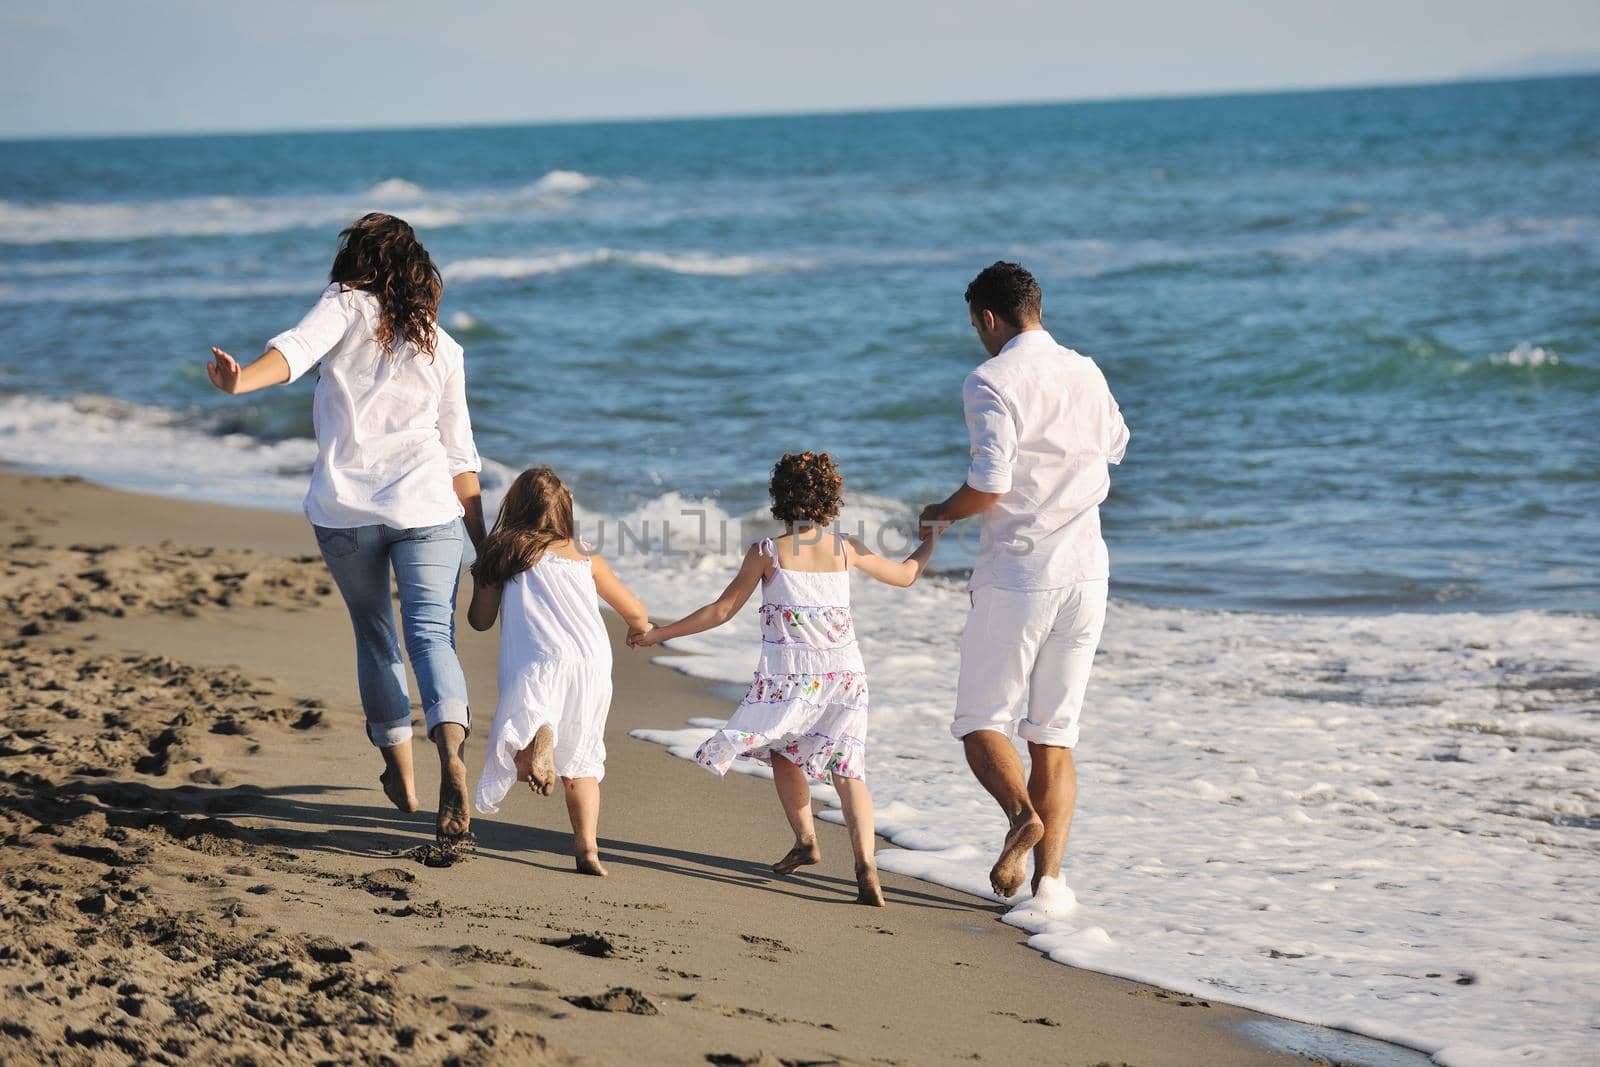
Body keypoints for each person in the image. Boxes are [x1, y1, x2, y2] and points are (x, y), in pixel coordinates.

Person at [206, 212, 485, 845]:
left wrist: (240, 381)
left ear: (358, 261)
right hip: (429, 509)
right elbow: (461, 454)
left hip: (346, 511)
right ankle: (451, 757)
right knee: (431, 638)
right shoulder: (444, 346)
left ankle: (402, 774)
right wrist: (482, 539)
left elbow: (296, 352)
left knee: (375, 637)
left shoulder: (345, 304)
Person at [632, 452, 940, 906]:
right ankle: (867, 868)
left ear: (780, 498)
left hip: (791, 677)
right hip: (846, 675)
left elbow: (721, 611)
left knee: (781, 751)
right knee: (847, 768)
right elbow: (908, 575)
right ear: (831, 499)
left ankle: (807, 840)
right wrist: (931, 539)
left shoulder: (767, 551)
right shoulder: (847, 547)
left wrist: (660, 633)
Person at [919, 261, 1129, 906]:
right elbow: (1116, 445)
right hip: (1087, 573)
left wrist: (940, 514)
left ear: (987, 318)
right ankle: (1050, 889)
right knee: (1054, 736)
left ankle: (1020, 818)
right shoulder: (1086, 369)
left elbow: (991, 483)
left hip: (1020, 576)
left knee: (981, 723)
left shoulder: (991, 379)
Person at [468, 466, 650, 877]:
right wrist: (639, 632)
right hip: (591, 662)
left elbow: (480, 620)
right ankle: (587, 849)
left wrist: (485, 577)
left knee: (516, 739)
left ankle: (539, 740)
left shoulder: (505, 549)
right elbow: (636, 612)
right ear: (565, 512)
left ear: (513, 506)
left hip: (539, 659)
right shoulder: (584, 555)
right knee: (584, 760)